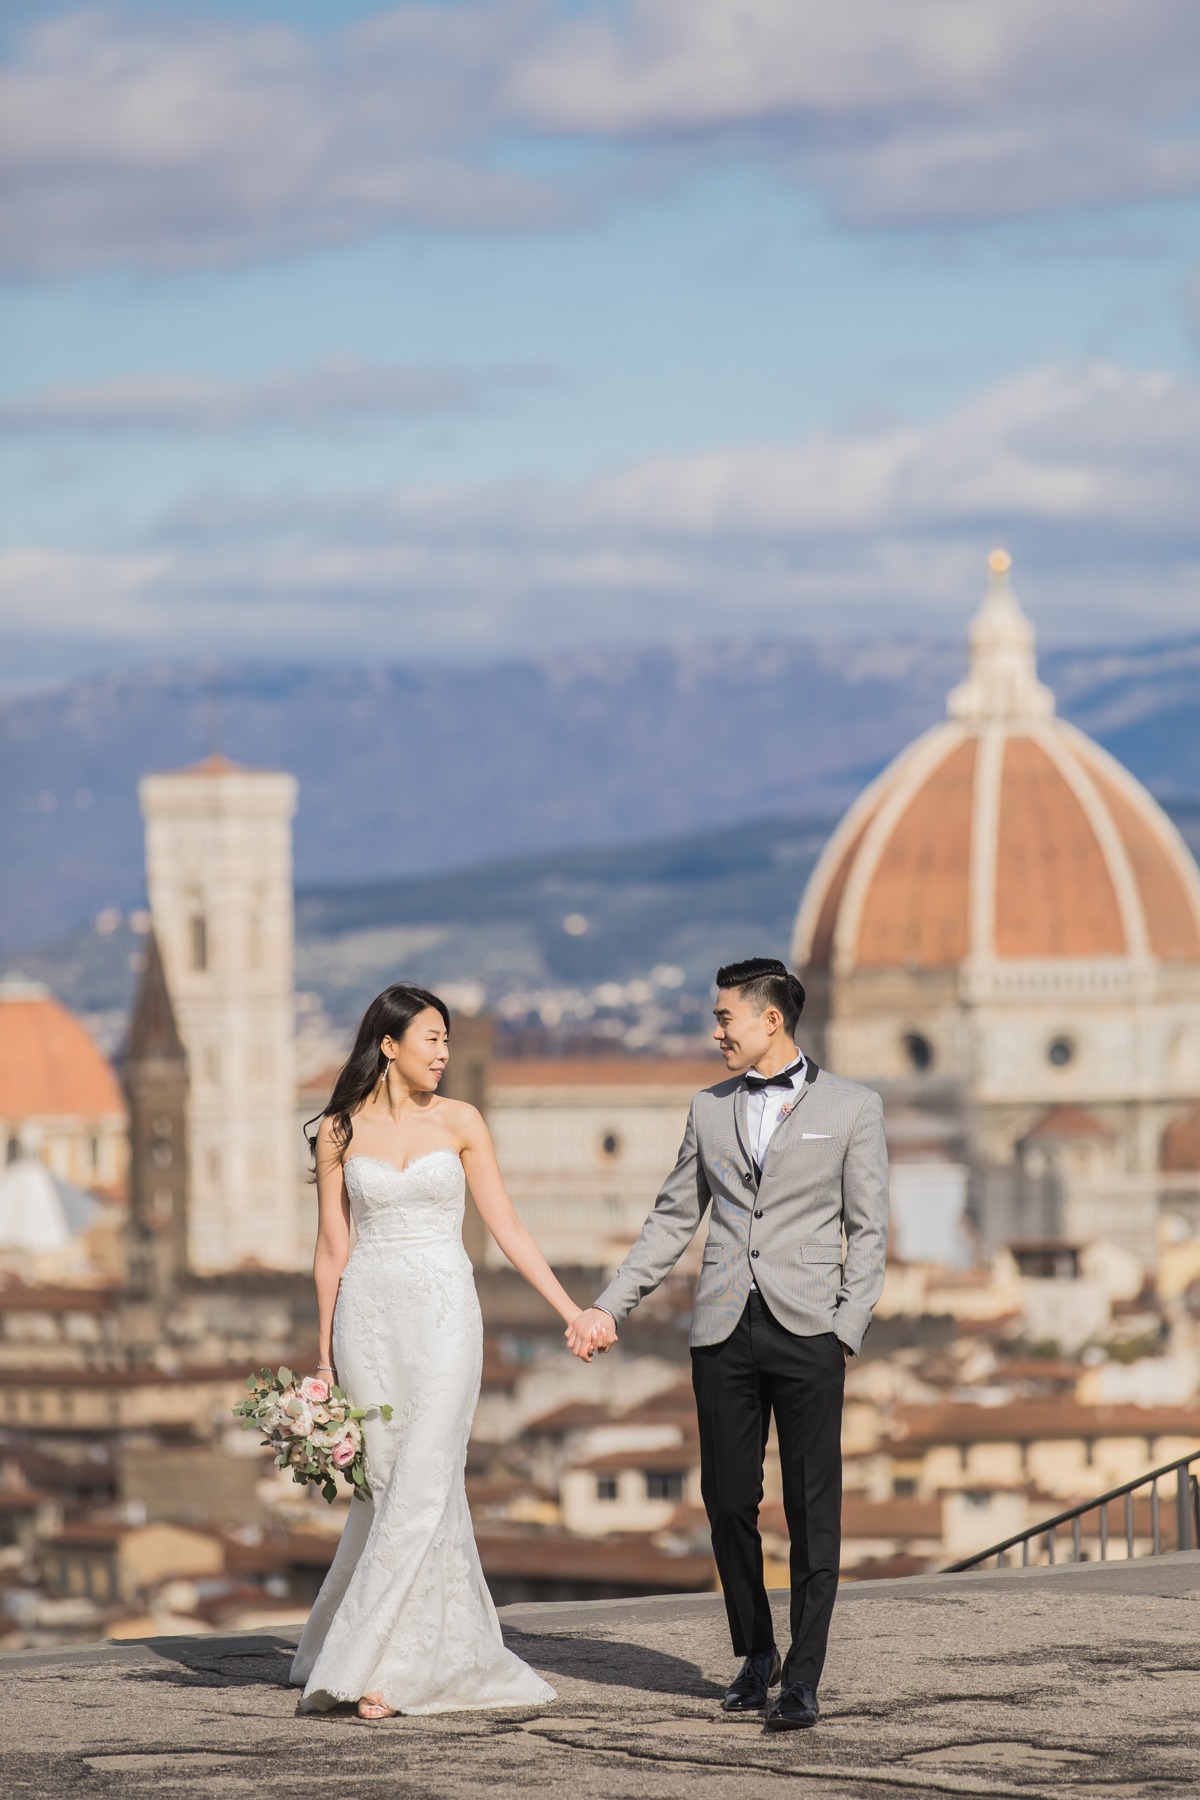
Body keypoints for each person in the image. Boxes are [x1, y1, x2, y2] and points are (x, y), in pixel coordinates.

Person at [568, 957, 888, 1731]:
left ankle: (803, 1679)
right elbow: (673, 1220)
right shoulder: (708, 1110)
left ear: (768, 1019)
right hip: (720, 1330)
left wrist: (845, 1330)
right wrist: (609, 1306)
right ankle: (756, 1651)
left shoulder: (853, 1107)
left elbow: (869, 1231)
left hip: (810, 1330)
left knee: (815, 1511)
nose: (715, 1031)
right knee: (725, 1502)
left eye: (724, 1018)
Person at [291, 983, 594, 1719]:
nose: (444, 1054)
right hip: (368, 1318)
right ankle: (403, 1656)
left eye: (449, 1041)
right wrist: (325, 1355)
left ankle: (382, 1670)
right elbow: (332, 1248)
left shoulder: (462, 1121)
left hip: (447, 1312)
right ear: (390, 1045)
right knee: (394, 1483)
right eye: (431, 1039)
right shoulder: (337, 1130)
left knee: (427, 1474)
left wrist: (573, 1312)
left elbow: (508, 1230)